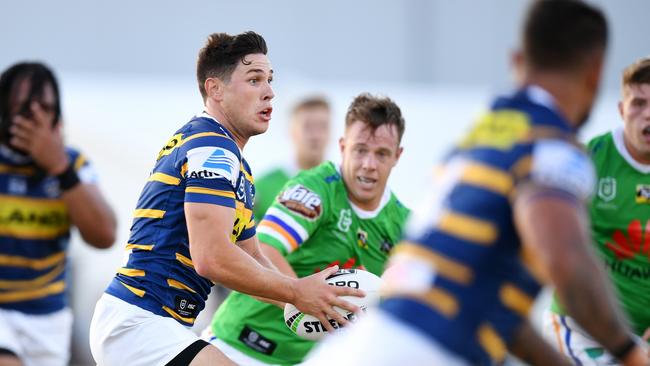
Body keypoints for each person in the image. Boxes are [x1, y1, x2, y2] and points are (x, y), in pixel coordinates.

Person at [308, 1, 650, 365]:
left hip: (364, 345)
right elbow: (566, 261)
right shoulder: (550, 143)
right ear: (595, 73)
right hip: (426, 350)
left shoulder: (480, 137)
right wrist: (629, 353)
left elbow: (499, 314)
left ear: (518, 61)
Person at [88, 31, 362, 366]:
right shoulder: (212, 151)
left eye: (269, 80)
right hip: (139, 322)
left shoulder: (232, 161)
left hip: (154, 325)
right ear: (214, 89)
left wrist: (308, 300)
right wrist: (296, 292)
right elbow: (212, 258)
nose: (269, 92)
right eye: (254, 79)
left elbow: (250, 254)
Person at [203, 93, 410, 365]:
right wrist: (302, 301)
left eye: (381, 154)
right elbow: (263, 249)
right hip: (240, 345)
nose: (369, 165)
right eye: (360, 150)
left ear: (397, 156)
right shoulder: (313, 189)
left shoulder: (404, 226)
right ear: (343, 146)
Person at [0, 62, 116, 366]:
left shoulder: (73, 165)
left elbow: (104, 235)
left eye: (46, 109)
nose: (36, 120)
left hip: (47, 319)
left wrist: (59, 169)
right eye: (25, 109)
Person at [542, 57, 650, 365]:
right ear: (621, 110)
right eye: (638, 103)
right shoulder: (588, 161)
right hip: (582, 328)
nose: (648, 115)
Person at [253, 96, 331, 220]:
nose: (315, 136)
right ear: (292, 131)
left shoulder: (341, 186)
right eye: (308, 127)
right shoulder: (262, 188)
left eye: (322, 126)